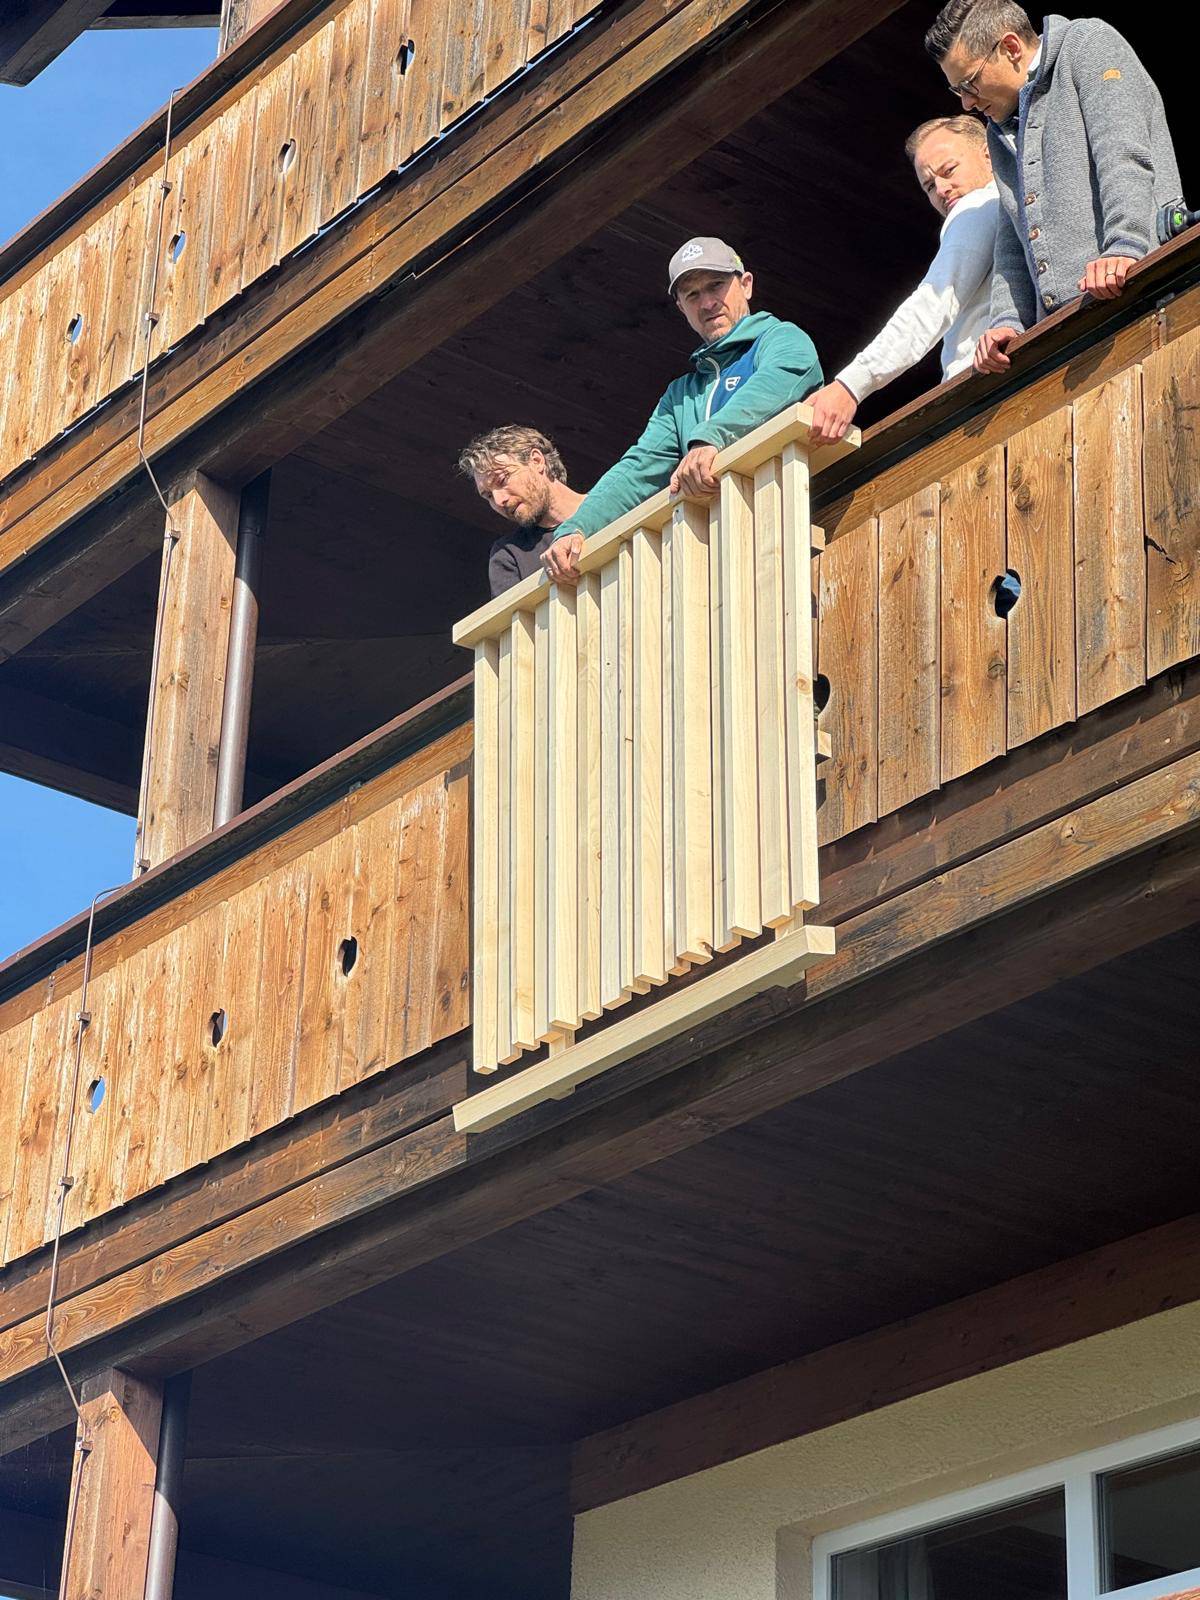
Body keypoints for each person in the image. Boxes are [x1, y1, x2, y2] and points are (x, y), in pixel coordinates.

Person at [541, 238, 822, 586]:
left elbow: (778, 383)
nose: (707, 302)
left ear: (746, 285)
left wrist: (711, 438)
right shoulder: (680, 395)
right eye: (692, 295)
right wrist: (577, 527)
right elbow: (637, 470)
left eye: (716, 285)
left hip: (791, 535)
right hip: (712, 561)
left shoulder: (781, 339)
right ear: (681, 308)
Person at [924, 1, 1182, 375]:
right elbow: (1012, 234)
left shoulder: (1088, 44)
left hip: (1144, 302)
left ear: (1011, 48)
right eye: (957, 91)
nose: (966, 102)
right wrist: (1006, 320)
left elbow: (1121, 151)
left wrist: (1126, 245)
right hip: (1069, 338)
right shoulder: (1000, 128)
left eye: (970, 83)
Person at [809, 116, 999, 444]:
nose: (941, 189)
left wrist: (851, 385)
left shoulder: (978, 204)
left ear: (988, 155)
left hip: (983, 396)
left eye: (949, 170)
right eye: (928, 185)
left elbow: (931, 306)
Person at [457, 425, 586, 597]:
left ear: (537, 461)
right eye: (488, 495)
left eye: (502, 480)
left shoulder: (613, 503)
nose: (499, 500)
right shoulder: (509, 555)